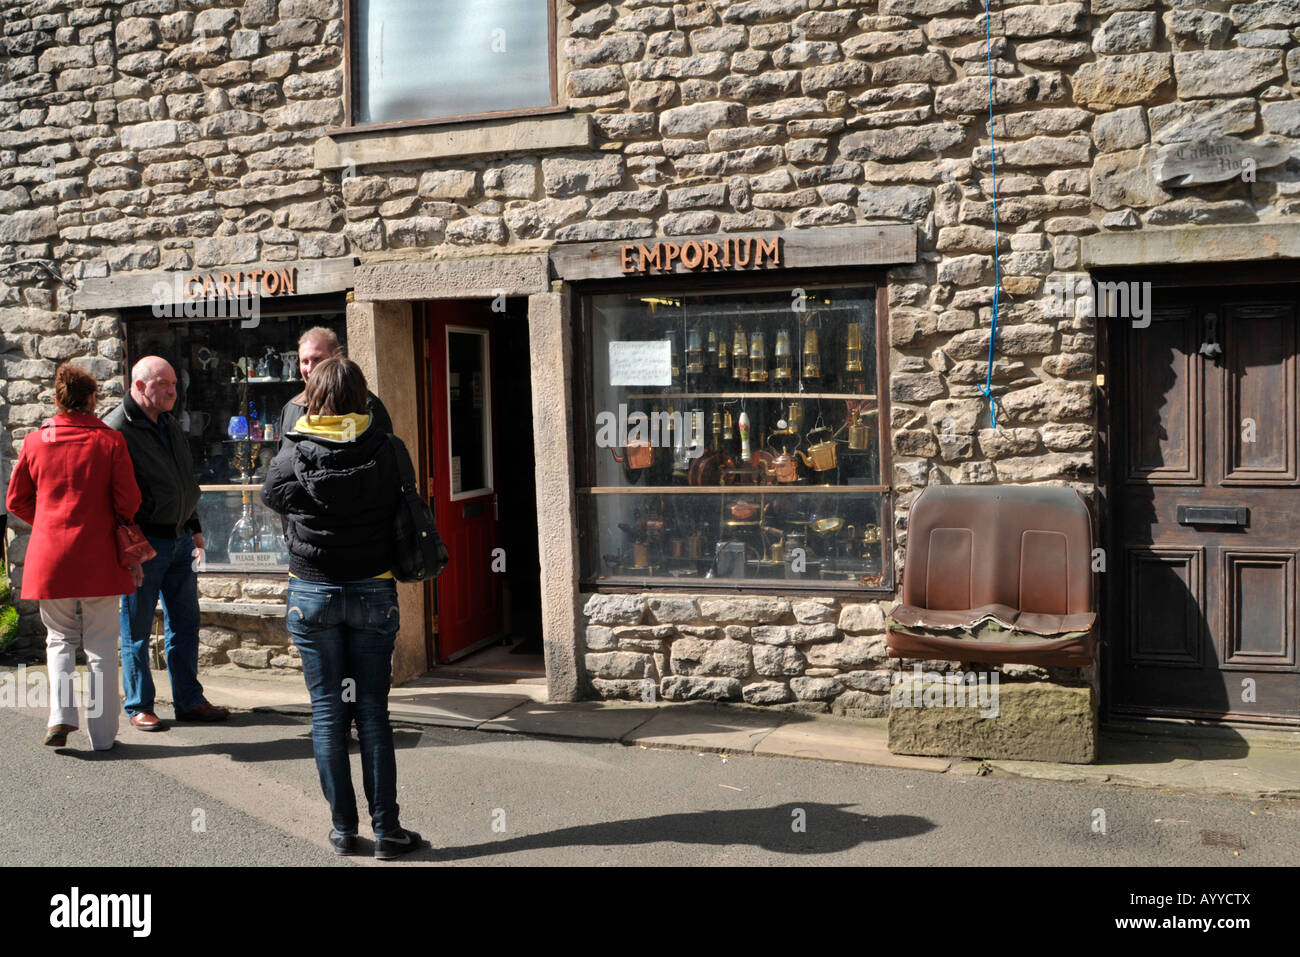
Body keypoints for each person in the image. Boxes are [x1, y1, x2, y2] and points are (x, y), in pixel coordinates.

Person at [262, 356, 424, 860]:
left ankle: (342, 829)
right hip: (373, 590)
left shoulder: (294, 450)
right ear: (363, 396)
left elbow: (272, 496)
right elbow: (407, 502)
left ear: (312, 396)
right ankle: (387, 830)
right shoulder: (388, 448)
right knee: (373, 713)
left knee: (329, 714)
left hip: (313, 593)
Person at [5, 363, 143, 750]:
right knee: (101, 645)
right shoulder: (111, 442)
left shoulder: (34, 442)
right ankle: (102, 737)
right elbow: (129, 501)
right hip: (99, 553)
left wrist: (47, 522)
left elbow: (16, 500)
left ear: (57, 398)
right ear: (93, 398)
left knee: (58, 639)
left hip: (51, 556)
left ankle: (60, 717)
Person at [105, 356, 229, 730]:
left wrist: (192, 524)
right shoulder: (115, 429)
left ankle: (189, 700)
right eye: (164, 384)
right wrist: (128, 546)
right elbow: (107, 495)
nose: (173, 391)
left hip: (178, 541)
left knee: (186, 624)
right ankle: (140, 704)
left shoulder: (169, 422)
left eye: (174, 383)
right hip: (144, 544)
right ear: (139, 386)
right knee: (136, 628)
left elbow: (183, 479)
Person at [276, 326, 392, 446]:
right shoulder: (291, 409)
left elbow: (384, 457)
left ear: (338, 358)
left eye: (317, 359)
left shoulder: (366, 404)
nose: (310, 369)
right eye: (304, 362)